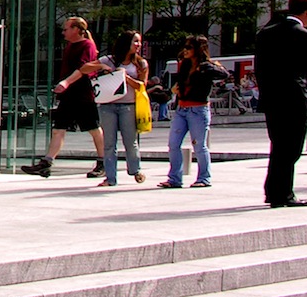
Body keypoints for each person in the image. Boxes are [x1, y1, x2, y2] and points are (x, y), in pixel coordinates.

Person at [254, 0, 307, 208]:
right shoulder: (304, 36)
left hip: (272, 99)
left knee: (278, 145)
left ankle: (274, 191)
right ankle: (283, 193)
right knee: (291, 147)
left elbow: (259, 69)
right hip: (293, 98)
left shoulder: (265, 34)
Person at [58, 30, 146, 187]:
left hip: (128, 106)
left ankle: (135, 170)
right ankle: (110, 177)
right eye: (135, 41)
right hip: (107, 105)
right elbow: (84, 68)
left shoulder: (140, 63)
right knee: (109, 143)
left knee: (130, 141)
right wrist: (102, 66)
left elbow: (142, 86)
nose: (138, 45)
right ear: (126, 43)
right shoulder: (109, 60)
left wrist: (125, 77)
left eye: (139, 42)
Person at [22, 17, 106, 178]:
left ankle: (103, 161)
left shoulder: (87, 45)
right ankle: (46, 163)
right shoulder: (70, 46)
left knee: (94, 129)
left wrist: (66, 82)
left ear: (76, 29)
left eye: (66, 29)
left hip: (82, 95)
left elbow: (83, 69)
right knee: (58, 129)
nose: (63, 32)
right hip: (69, 95)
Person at [160, 34, 227, 189]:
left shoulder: (206, 67)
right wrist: (174, 90)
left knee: (199, 145)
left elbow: (224, 74)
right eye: (185, 46)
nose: (185, 50)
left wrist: (211, 66)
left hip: (198, 108)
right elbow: (180, 83)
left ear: (198, 49)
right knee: (173, 144)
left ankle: (204, 177)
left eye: (189, 47)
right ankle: (174, 178)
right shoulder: (183, 64)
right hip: (182, 108)